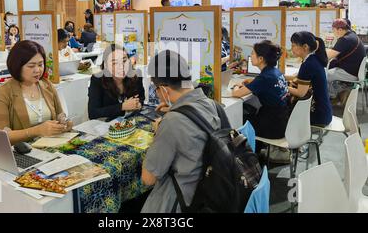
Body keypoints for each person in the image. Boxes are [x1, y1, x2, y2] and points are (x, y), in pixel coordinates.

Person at [141, 50, 229, 212]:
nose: (157, 94)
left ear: (164, 89)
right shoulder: (211, 104)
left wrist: (159, 131)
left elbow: (148, 178)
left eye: (156, 89)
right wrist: (175, 109)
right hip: (216, 188)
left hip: (186, 200)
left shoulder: (171, 122)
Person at [0, 41, 72, 145]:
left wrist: (65, 122)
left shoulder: (46, 85)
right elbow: (0, 135)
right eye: (31, 66)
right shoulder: (2, 93)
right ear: (17, 66)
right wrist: (37, 131)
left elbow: (59, 114)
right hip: (20, 152)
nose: (38, 70)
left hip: (51, 146)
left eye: (40, 64)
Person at [232, 40, 290, 140]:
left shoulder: (264, 78)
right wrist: (252, 81)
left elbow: (236, 94)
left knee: (236, 119)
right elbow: (264, 82)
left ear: (261, 59)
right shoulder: (275, 71)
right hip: (282, 122)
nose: (250, 56)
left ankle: (247, 152)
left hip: (271, 127)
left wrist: (236, 85)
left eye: (253, 53)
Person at [88, 44, 144, 121]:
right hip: (107, 125)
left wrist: (138, 103)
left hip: (132, 122)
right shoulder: (98, 80)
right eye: (114, 63)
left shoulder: (136, 76)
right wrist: (122, 106)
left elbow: (141, 98)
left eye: (124, 61)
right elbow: (93, 113)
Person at [288, 32, 332, 127]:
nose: (292, 48)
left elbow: (300, 93)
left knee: (281, 113)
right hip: (325, 111)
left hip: (318, 115)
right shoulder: (313, 59)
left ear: (305, 47)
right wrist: (281, 77)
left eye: (294, 45)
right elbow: (300, 78)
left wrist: (283, 86)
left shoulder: (308, 65)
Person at [326, 19, 366, 99]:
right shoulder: (352, 36)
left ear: (340, 30)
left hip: (351, 73)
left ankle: (329, 98)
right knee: (328, 72)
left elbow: (328, 56)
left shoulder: (345, 39)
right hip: (355, 71)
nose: (333, 33)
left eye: (333, 31)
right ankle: (333, 95)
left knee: (323, 75)